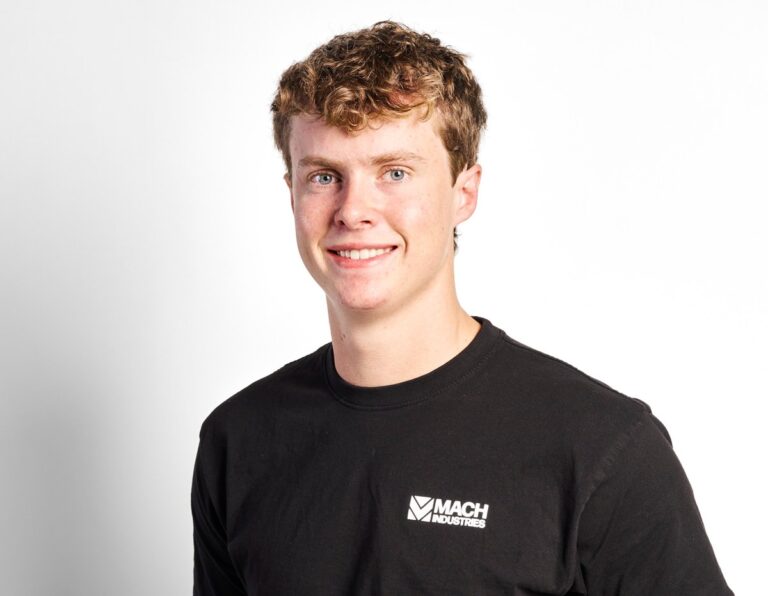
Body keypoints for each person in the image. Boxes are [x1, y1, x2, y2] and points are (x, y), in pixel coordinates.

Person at [192, 21, 732, 595]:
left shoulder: (601, 447)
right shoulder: (238, 441)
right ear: (293, 194)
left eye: (394, 172)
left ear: (464, 192)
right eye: (324, 176)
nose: (353, 210)